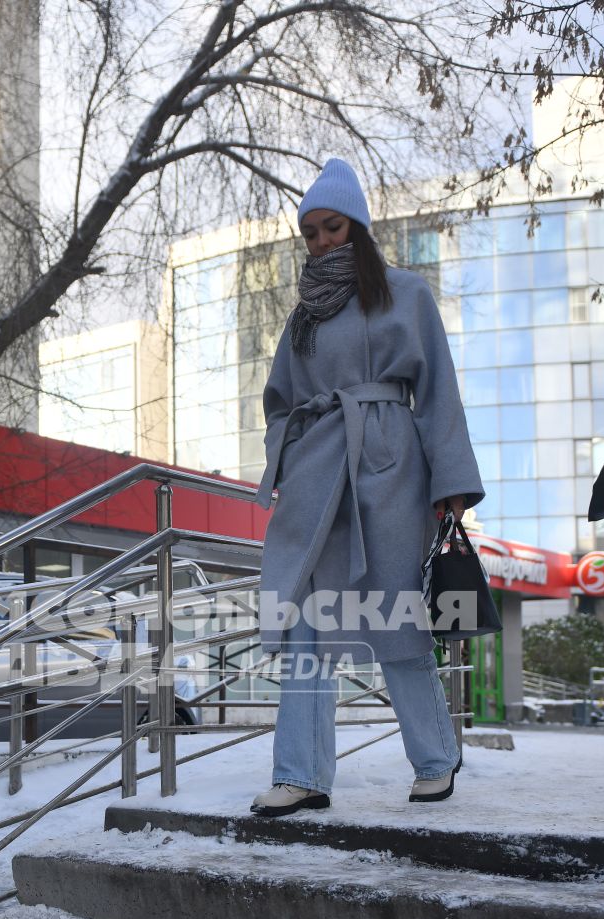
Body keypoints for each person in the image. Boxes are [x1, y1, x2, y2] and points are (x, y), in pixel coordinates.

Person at [249, 159, 484, 817]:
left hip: (388, 468)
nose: (323, 241)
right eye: (312, 232)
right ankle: (299, 774)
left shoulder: (405, 293)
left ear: (358, 226)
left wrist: (452, 485)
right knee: (306, 625)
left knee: (397, 615)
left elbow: (437, 389)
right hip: (317, 475)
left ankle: (436, 759)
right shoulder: (302, 318)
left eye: (334, 227)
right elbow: (277, 402)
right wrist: (287, 457)